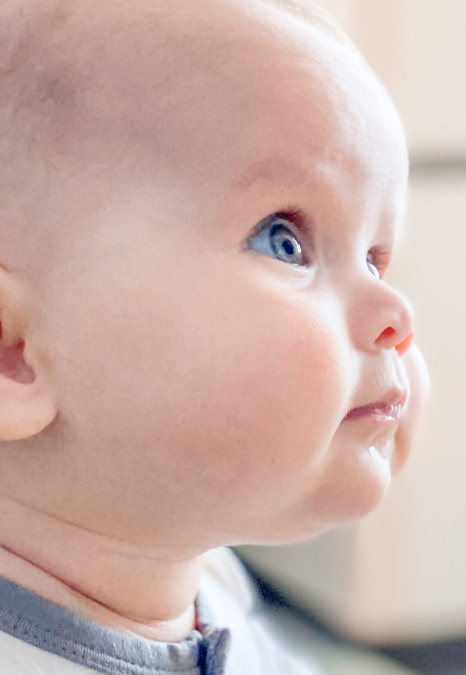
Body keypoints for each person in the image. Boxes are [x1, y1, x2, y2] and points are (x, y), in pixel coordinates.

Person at [0, 0, 428, 671]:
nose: (395, 311)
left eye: (377, 256)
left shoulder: (206, 580)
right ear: (13, 353)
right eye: (285, 240)